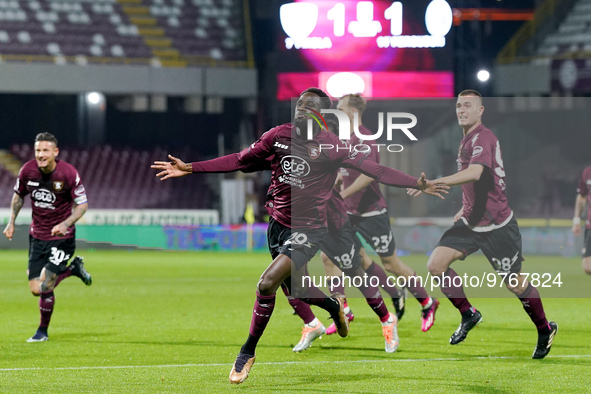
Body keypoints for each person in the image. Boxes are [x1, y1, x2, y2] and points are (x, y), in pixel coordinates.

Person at [152, 87, 448, 384]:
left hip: (310, 230)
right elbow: (241, 161)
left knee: (268, 282)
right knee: (297, 289)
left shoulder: (333, 147)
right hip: (277, 225)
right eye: (299, 105)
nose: (301, 110)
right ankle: (333, 306)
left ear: (321, 114)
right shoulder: (279, 135)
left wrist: (417, 184)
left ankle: (247, 351)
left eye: (309, 107)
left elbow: (377, 170)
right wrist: (190, 168)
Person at [408, 89, 558, 359]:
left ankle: (545, 328)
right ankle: (468, 314)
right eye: (458, 106)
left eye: (468, 106)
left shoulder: (483, 137)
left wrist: (434, 182)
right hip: (471, 222)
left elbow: (476, 173)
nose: (461, 110)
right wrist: (465, 209)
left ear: (480, 111)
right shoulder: (466, 139)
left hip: (498, 227)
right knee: (436, 264)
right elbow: (476, 184)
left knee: (515, 284)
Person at [326, 94, 439, 332]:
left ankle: (427, 302)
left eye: (340, 107)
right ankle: (341, 310)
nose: (336, 112)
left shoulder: (366, 138)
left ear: (353, 111)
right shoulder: (343, 139)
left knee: (391, 263)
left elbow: (369, 175)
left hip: (371, 213)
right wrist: (335, 182)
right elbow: (342, 172)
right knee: (333, 256)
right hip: (348, 213)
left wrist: (342, 195)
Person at [3, 132, 92, 342]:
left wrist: (65, 223)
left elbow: (82, 205)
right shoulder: (27, 171)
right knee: (36, 289)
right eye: (38, 150)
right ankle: (73, 269)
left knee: (46, 284)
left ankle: (42, 332)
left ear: (55, 152)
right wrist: (11, 221)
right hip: (37, 236)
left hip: (62, 238)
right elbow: (18, 196)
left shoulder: (68, 174)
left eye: (45, 150)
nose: (41, 155)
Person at [572, 166, 591, 274]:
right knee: (587, 266)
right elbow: (582, 196)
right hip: (590, 224)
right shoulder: (587, 172)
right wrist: (576, 221)